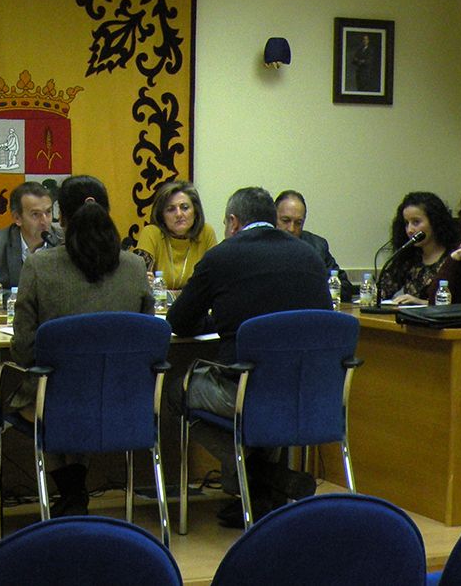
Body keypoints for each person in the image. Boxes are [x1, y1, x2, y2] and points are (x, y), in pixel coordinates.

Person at [166, 187, 331, 527]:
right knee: (264, 402)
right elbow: (324, 319)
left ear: (233, 222)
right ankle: (260, 489)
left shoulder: (221, 257)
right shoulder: (310, 257)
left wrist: (215, 320)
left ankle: (258, 475)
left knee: (175, 390)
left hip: (243, 389)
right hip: (306, 391)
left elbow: (179, 321)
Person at [9, 175, 153, 517]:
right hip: (124, 401)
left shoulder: (40, 266)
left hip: (57, 401)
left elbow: (25, 347)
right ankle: (74, 490)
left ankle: (72, 492)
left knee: (53, 386)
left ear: (62, 218)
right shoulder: (134, 267)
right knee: (85, 387)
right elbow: (150, 339)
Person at [377, 191, 461, 305]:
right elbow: (382, 291)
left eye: (416, 222)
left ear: (434, 222)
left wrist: (421, 302)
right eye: (406, 223)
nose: (410, 230)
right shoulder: (409, 257)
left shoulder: (456, 256)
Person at [133, 180, 218, 292]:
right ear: (162, 215)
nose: (178, 214)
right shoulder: (152, 233)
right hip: (158, 307)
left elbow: (216, 278)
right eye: (171, 209)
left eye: (185, 207)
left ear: (195, 211)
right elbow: (139, 279)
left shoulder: (206, 233)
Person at [275, 189, 356, 302]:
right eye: (285, 220)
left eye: (298, 223)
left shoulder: (317, 246)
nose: (291, 228)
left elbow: (344, 287)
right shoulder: (261, 246)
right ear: (273, 218)